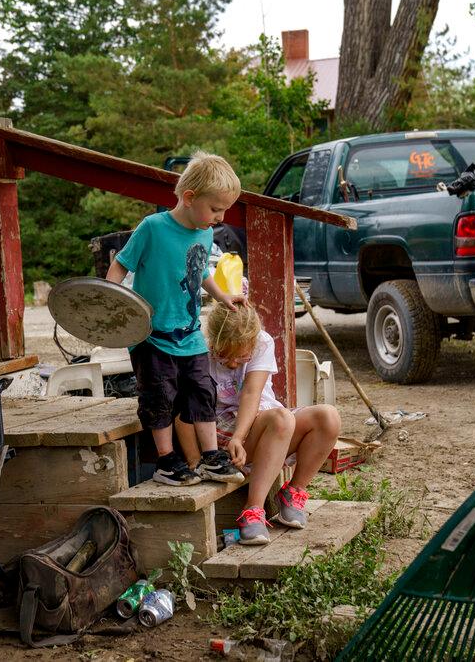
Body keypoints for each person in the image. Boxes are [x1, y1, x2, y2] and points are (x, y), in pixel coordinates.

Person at [106, 151, 246, 486]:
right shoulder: (153, 228)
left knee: (202, 390)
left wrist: (222, 295)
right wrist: (109, 299)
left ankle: (211, 458)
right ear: (189, 197)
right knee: (160, 396)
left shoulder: (205, 231)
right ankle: (167, 462)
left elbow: (199, 272)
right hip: (152, 335)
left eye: (225, 209)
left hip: (190, 334)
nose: (221, 217)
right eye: (215, 209)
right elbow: (121, 263)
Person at [176, 303, 340, 545]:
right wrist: (195, 460)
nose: (232, 363)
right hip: (217, 433)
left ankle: (293, 492)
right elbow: (181, 411)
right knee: (281, 418)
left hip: (253, 426)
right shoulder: (199, 347)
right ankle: (252, 510)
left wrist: (239, 438)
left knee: (328, 418)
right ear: (214, 343)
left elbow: (252, 393)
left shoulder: (262, 342)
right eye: (224, 356)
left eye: (241, 357)